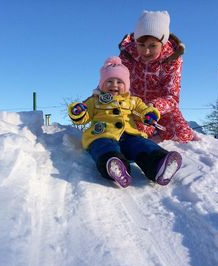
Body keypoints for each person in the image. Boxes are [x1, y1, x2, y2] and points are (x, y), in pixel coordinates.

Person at [68, 56, 182, 188]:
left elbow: (143, 109)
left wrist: (149, 114)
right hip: (102, 134)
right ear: (102, 84)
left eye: (119, 82)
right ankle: (115, 166)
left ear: (126, 85)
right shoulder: (95, 100)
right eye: (109, 81)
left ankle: (159, 165)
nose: (114, 85)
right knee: (103, 147)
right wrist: (79, 112)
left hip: (129, 136)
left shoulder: (133, 101)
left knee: (142, 145)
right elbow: (85, 115)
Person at [119, 10, 194, 143]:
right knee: (132, 134)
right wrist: (101, 93)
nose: (146, 51)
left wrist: (154, 107)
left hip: (162, 108)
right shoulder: (127, 56)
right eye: (141, 45)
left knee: (182, 135)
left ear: (163, 43)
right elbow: (115, 78)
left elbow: (172, 96)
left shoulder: (172, 59)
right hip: (135, 107)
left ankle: (158, 136)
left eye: (153, 45)